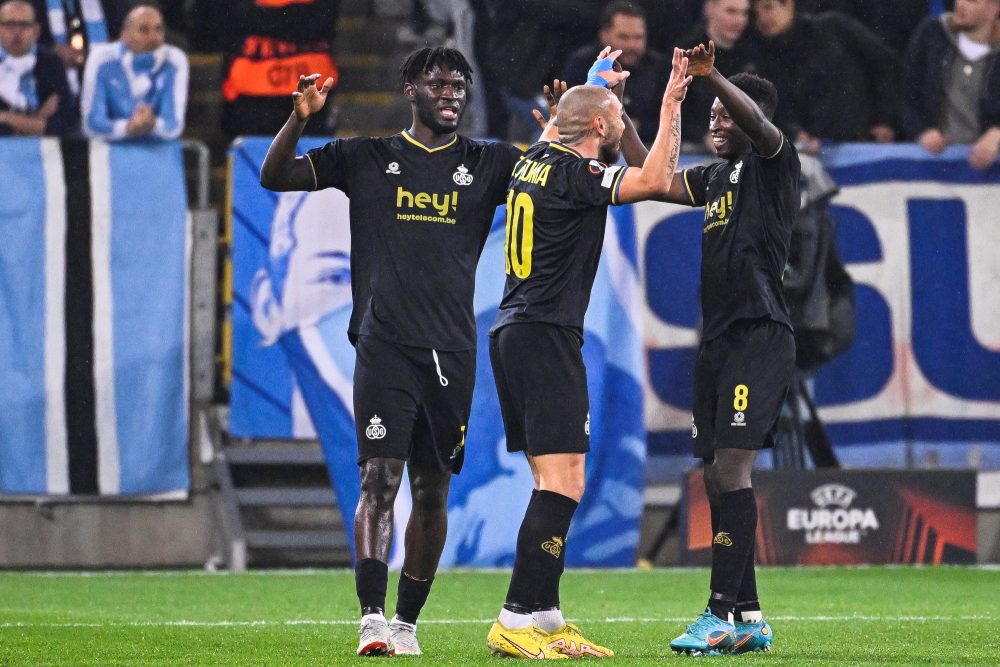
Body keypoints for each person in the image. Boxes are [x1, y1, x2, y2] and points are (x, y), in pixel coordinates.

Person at [258, 46, 523, 657]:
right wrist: (299, 117)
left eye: (460, 85)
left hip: (451, 350)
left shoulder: (490, 163)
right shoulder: (365, 156)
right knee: (379, 477)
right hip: (383, 344)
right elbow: (275, 176)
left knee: (432, 491)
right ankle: (372, 620)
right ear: (411, 90)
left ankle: (407, 622)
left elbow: (568, 180)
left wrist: (563, 134)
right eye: (438, 84)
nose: (451, 94)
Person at [485, 46, 692, 659]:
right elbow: (656, 179)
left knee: (557, 480)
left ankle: (546, 618)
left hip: (516, 331)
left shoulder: (533, 160)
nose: (621, 120)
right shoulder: (578, 175)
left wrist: (593, 88)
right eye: (615, 116)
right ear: (600, 127)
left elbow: (568, 119)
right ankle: (515, 619)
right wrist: (670, 102)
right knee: (563, 484)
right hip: (546, 334)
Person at [621, 41, 799, 655]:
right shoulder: (716, 178)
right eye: (712, 116)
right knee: (715, 479)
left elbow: (757, 122)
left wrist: (713, 77)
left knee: (731, 469)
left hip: (760, 333)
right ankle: (748, 616)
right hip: (718, 341)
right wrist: (615, 117)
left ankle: (718, 612)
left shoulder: (777, 164)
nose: (715, 124)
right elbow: (653, 179)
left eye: (724, 117)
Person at [751, 0, 898, 153]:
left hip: (866, 142)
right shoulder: (767, 59)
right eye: (755, 14)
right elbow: (782, 107)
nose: (762, 18)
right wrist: (797, 133)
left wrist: (885, 119)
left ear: (788, 4)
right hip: (818, 151)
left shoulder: (833, 27)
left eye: (768, 7)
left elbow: (886, 63)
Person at [901, 0, 1000, 171]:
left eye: (972, 1)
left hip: (988, 172)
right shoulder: (931, 33)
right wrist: (921, 131)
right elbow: (905, 95)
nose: (960, 4)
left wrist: (997, 134)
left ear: (992, 10)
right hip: (932, 163)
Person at [562, 2, 669, 143]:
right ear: (604, 35)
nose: (631, 45)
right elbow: (568, 117)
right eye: (623, 37)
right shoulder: (581, 64)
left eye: (638, 37)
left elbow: (683, 122)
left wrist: (639, 127)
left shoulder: (661, 68)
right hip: (590, 148)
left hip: (651, 146)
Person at [80, 3, 187, 140]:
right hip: (111, 152)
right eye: (144, 30)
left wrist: (153, 123)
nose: (153, 37)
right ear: (125, 35)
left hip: (159, 153)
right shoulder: (101, 60)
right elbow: (91, 124)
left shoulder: (175, 61)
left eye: (158, 30)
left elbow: (174, 125)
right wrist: (128, 127)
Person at [679, 0, 759, 146]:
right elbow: (671, 108)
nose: (739, 20)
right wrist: (703, 135)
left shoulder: (755, 54)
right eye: (731, 11)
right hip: (694, 151)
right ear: (709, 9)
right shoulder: (686, 53)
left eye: (745, 13)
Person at [0, 0, 77, 136]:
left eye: (24, 25)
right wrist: (39, 118)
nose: (17, 32)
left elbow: (64, 125)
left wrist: (6, 117)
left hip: (44, 152)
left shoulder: (51, 63)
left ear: (36, 30)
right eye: (10, 25)